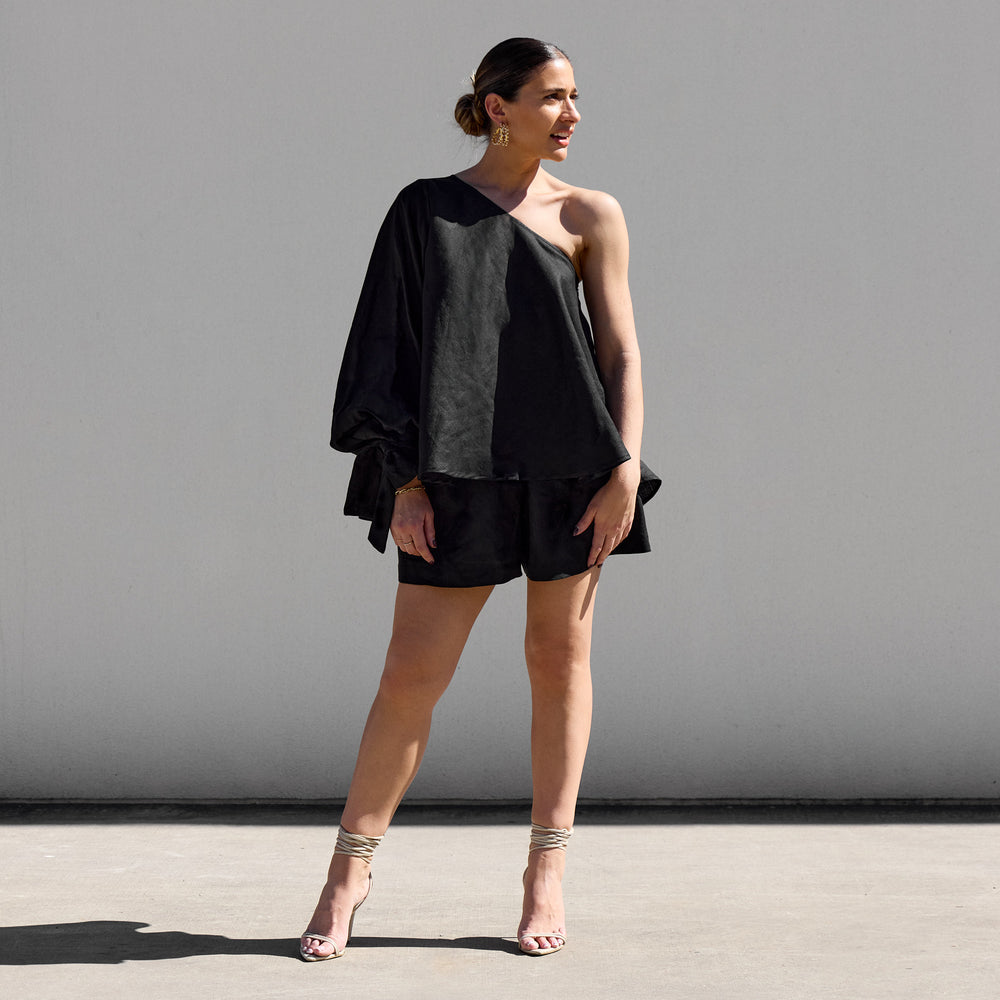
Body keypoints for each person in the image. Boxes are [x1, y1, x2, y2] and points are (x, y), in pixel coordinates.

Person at [300, 37, 659, 961]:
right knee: (409, 677)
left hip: (574, 472)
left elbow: (619, 352)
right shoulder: (425, 211)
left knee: (559, 663)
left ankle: (546, 871)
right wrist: (403, 482)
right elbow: (384, 351)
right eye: (552, 97)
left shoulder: (591, 213)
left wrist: (626, 466)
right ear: (498, 106)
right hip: (449, 474)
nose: (572, 115)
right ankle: (349, 870)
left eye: (577, 97)